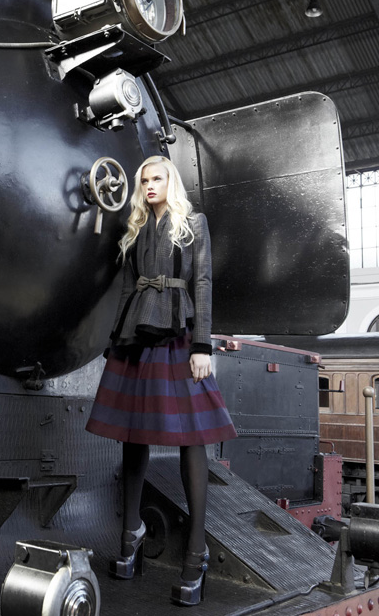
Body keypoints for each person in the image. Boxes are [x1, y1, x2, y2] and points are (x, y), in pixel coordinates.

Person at [86, 155, 236, 606]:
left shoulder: (193, 223)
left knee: (192, 438)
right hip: (137, 338)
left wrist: (202, 346)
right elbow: (127, 289)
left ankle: (196, 551)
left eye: (158, 178)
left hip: (180, 336)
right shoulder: (135, 229)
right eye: (145, 180)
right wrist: (117, 340)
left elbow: (203, 283)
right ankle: (130, 532)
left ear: (172, 182)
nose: (150, 185)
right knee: (133, 434)